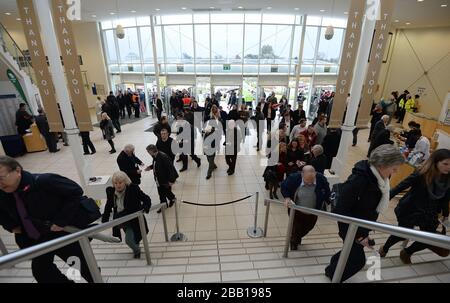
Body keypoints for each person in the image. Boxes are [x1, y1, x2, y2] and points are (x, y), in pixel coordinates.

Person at [0, 156, 97, 283]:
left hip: (62, 234)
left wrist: (61, 221)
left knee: (85, 268)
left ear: (17, 171)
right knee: (42, 272)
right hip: (35, 239)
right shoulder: (3, 192)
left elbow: (75, 192)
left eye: (1, 178)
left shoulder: (45, 181)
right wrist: (11, 226)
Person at [325, 145, 404, 282]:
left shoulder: (378, 178)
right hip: (351, 227)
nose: (395, 171)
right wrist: (360, 235)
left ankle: (331, 268)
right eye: (394, 167)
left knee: (349, 251)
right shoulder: (359, 180)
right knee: (358, 260)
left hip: (361, 225)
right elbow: (341, 210)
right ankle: (334, 276)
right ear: (382, 164)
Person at [379, 149, 450, 264]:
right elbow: (401, 186)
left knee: (429, 238)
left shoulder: (448, 179)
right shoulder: (422, 173)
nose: (448, 167)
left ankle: (407, 252)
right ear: (435, 162)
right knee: (402, 234)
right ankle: (385, 248)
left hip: (430, 211)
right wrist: (385, 199)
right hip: (411, 208)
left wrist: (445, 216)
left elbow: (446, 199)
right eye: (445, 164)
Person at [102, 171, 151, 259]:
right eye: (115, 183)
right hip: (121, 219)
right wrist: (104, 219)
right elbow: (108, 205)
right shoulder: (111, 192)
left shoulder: (133, 189)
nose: (118, 185)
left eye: (120, 182)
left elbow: (146, 198)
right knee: (133, 237)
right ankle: (136, 246)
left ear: (125, 182)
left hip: (133, 219)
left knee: (129, 240)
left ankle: (137, 250)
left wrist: (145, 207)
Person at [281, 165, 331, 251]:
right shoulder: (294, 178)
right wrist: (287, 197)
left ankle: (296, 237)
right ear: (302, 174)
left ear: (315, 174)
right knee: (296, 228)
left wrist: (329, 202)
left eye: (312, 181)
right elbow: (284, 186)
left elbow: (327, 191)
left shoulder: (321, 179)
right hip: (296, 211)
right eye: (307, 181)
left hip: (313, 211)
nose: (309, 183)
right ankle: (294, 242)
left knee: (309, 227)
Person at [145, 144, 178, 214]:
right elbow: (156, 164)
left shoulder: (163, 157)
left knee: (167, 191)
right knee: (161, 193)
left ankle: (172, 199)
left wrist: (171, 180)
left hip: (165, 179)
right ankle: (164, 205)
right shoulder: (155, 156)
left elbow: (170, 169)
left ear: (151, 151)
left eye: (148, 151)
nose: (148, 153)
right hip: (159, 179)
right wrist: (150, 167)